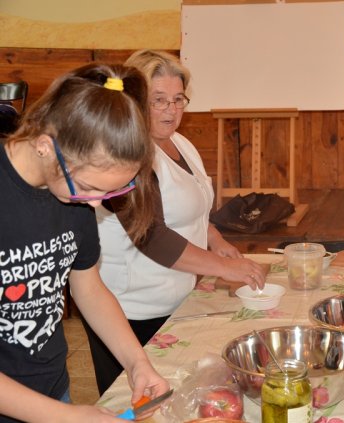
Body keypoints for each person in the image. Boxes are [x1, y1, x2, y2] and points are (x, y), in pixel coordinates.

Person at [87, 49, 267, 395]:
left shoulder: (180, 143)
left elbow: (190, 210)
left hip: (175, 300)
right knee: (134, 403)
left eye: (178, 99)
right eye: (159, 100)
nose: (171, 109)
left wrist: (215, 239)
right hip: (131, 311)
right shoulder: (127, 152)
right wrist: (222, 268)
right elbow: (151, 235)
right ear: (135, 100)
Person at [0, 63, 169, 422]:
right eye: (90, 188)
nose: (94, 204)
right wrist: (68, 417)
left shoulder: (71, 192)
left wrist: (137, 363)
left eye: (109, 192)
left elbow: (88, 287)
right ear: (46, 146)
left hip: (51, 392)